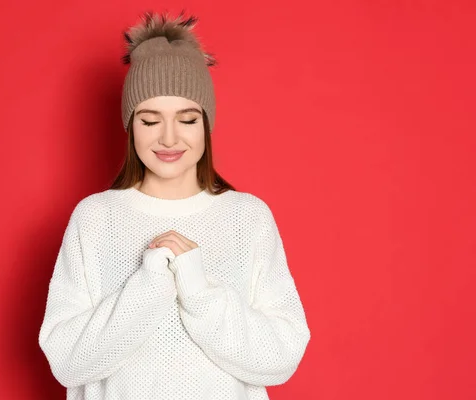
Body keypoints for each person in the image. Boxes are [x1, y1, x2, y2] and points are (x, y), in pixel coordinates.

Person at [38, 11, 311, 400]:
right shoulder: (95, 219)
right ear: (131, 126)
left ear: (206, 124)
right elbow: (66, 362)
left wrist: (199, 291)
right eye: (150, 121)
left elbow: (281, 356)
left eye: (187, 119)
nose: (169, 138)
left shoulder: (246, 218)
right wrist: (146, 290)